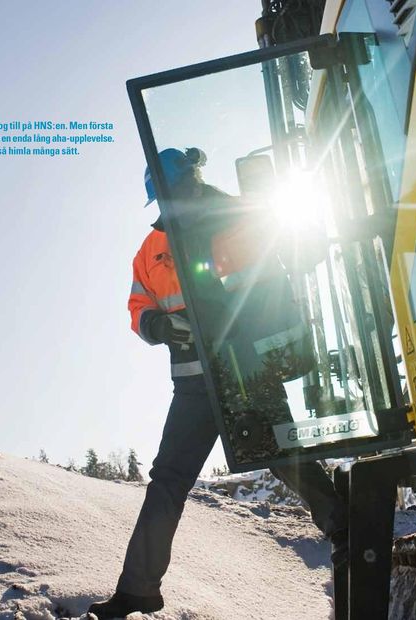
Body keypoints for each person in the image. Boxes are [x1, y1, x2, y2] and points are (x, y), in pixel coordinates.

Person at [88, 148, 348, 619]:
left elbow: (255, 289)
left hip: (245, 372)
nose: (172, 203)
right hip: (193, 384)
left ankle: (348, 533)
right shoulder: (151, 250)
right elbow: (138, 305)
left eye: (178, 189)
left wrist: (228, 331)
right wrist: (158, 326)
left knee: (284, 460)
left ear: (192, 179)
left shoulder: (234, 218)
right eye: (164, 198)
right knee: (166, 481)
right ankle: (137, 590)